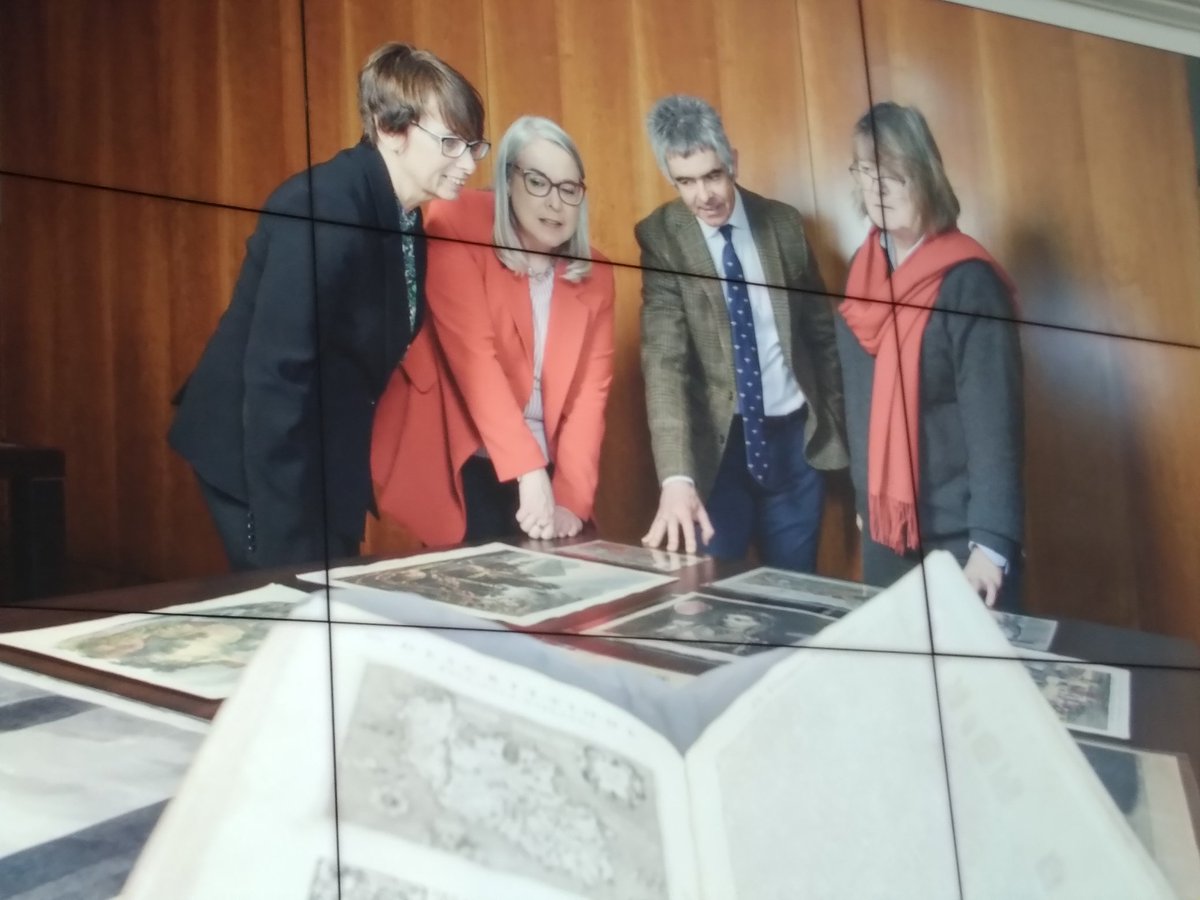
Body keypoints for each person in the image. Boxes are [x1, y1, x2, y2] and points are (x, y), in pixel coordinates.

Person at [167, 43, 487, 570]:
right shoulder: (324, 205)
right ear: (389, 128)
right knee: (292, 610)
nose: (469, 162)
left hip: (321, 448)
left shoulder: (405, 216)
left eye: (474, 145)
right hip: (257, 451)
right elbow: (277, 378)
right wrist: (285, 541)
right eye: (451, 142)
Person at [370, 116, 615, 545]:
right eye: (537, 182)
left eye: (569, 189)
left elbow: (587, 399)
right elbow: (475, 362)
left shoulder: (596, 272)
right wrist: (527, 470)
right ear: (507, 184)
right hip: (468, 451)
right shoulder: (457, 223)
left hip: (550, 462)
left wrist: (570, 501)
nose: (555, 204)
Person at [636, 95, 847, 572]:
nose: (703, 196)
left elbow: (821, 333)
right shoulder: (662, 236)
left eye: (713, 175)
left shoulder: (785, 226)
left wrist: (831, 423)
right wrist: (676, 477)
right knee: (715, 597)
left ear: (734, 160)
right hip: (718, 452)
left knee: (796, 596)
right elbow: (663, 362)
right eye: (685, 182)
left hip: (794, 446)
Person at [835, 101, 1023, 609]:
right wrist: (863, 500)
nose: (877, 188)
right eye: (866, 171)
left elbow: (995, 423)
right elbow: (859, 400)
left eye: (893, 174)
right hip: (886, 527)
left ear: (925, 175)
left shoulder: (970, 282)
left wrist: (991, 544)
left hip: (961, 537)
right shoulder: (862, 270)